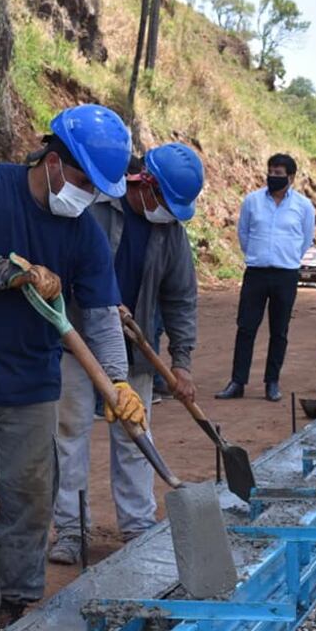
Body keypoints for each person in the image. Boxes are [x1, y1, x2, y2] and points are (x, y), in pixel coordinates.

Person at [0, 104, 147, 631]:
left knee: (31, 496)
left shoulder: (84, 234)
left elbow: (102, 315)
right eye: (85, 181)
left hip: (34, 382)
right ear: (54, 161)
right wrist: (6, 272)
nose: (88, 195)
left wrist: (116, 382)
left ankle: (12, 601)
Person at [49, 143, 204, 565]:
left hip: (136, 349)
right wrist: (96, 299)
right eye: (166, 203)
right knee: (69, 435)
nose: (168, 213)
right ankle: (70, 529)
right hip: (77, 342)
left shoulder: (169, 230)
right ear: (143, 184)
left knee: (135, 434)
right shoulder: (93, 204)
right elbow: (58, 264)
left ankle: (137, 524)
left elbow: (181, 297)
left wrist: (181, 361)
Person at [215, 153, 315, 402]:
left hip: (286, 275)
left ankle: (272, 383)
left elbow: (305, 239)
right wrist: (257, 256)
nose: (273, 177)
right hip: (256, 273)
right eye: (271, 172)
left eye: (279, 174)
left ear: (290, 177)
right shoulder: (252, 201)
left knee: (279, 331)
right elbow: (244, 233)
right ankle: (237, 382)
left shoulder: (303, 206)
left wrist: (287, 258)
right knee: (246, 328)